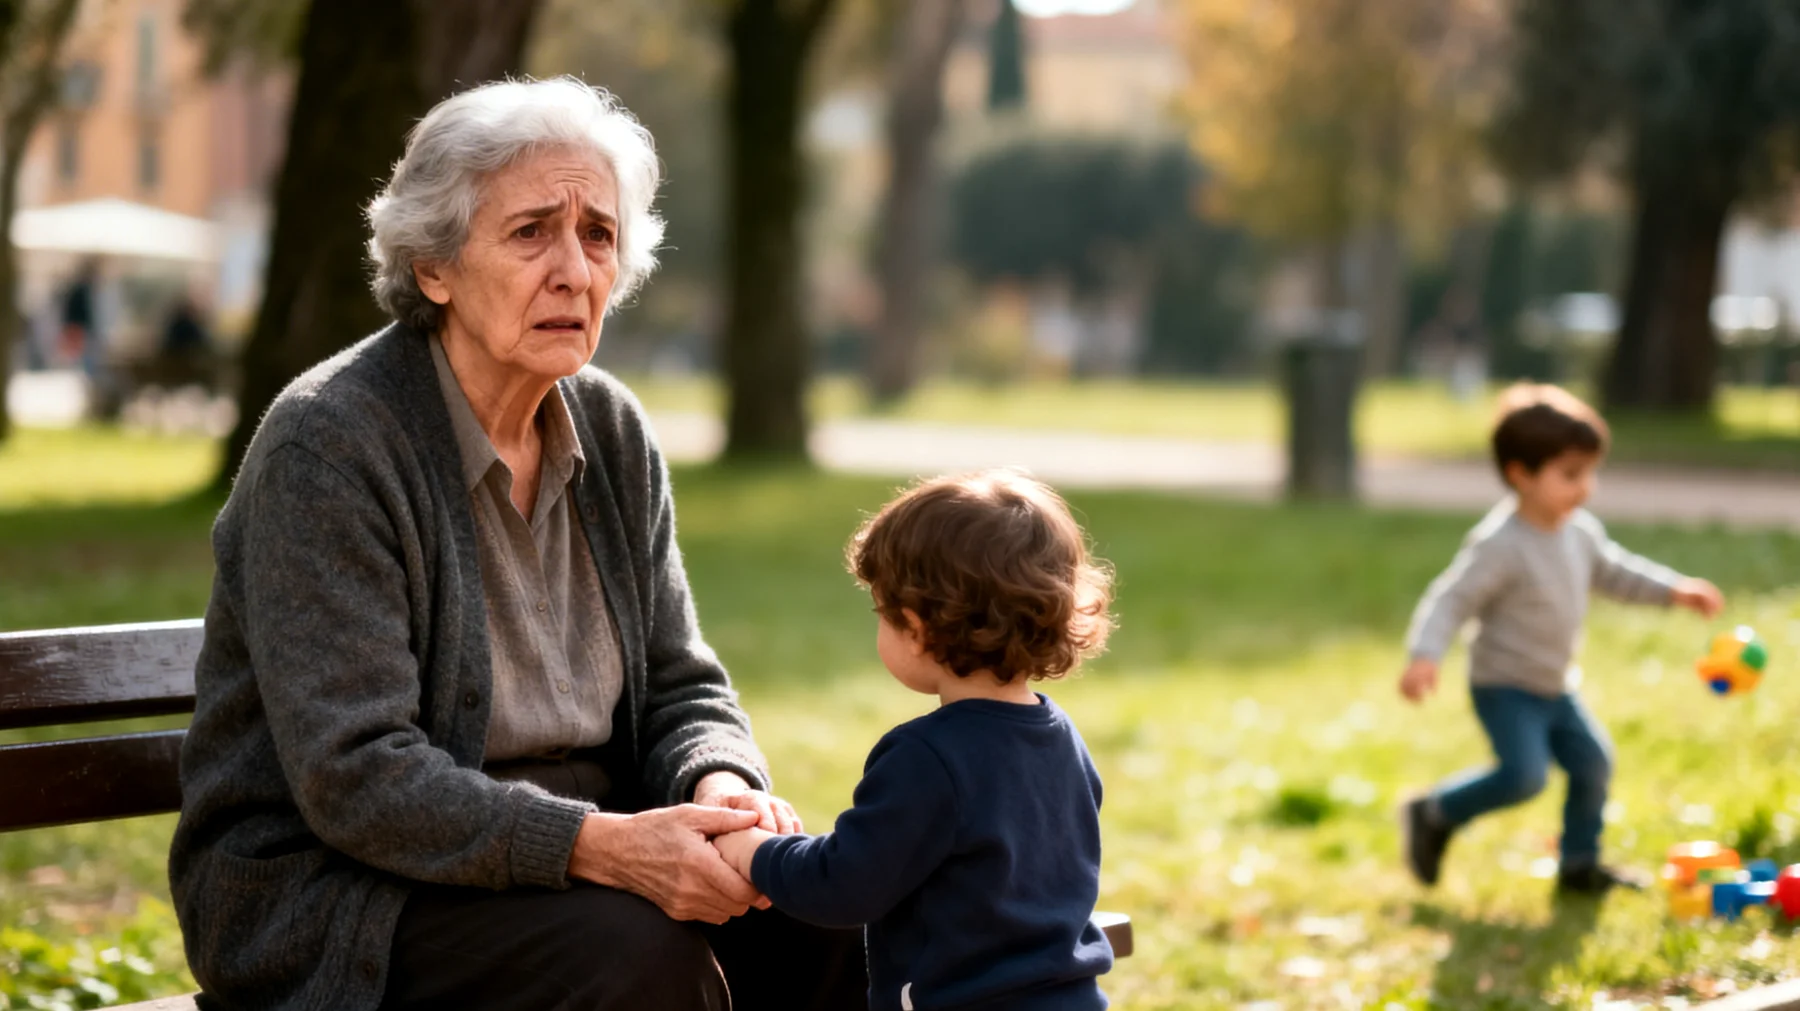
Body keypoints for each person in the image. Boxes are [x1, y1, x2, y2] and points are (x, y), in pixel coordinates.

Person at [167, 78, 863, 1011]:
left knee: (826, 912)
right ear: (434, 267)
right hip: (341, 891)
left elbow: (682, 684)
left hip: (573, 858)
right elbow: (358, 775)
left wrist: (723, 786)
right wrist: (609, 848)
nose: (574, 270)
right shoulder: (330, 443)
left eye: (599, 235)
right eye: (532, 231)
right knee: (638, 957)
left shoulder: (610, 429)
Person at [713, 469, 1118, 1010]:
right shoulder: (1061, 737)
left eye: (880, 612)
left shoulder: (927, 759)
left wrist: (752, 849)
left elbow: (842, 884)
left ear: (916, 626)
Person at [1397, 383, 1725, 894]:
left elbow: (1619, 574)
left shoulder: (1580, 531)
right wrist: (1425, 655)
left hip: (1556, 687)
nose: (1585, 488)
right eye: (1570, 475)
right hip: (1504, 688)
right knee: (1524, 776)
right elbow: (1451, 599)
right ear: (1520, 475)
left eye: (1590, 472)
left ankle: (1579, 865)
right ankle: (1435, 811)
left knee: (1593, 763)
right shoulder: (1500, 545)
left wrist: (1676, 591)